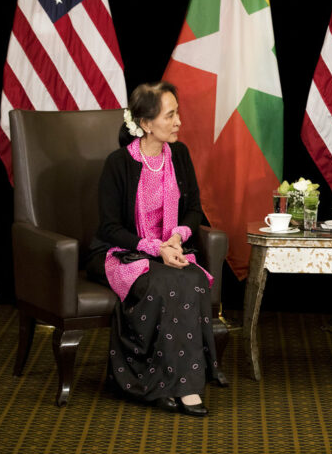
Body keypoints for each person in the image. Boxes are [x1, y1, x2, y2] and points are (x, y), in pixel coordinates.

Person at [86, 81, 226, 416]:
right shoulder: (118, 163)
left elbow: (193, 208)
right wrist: (153, 247)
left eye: (178, 113)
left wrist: (177, 237)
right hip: (121, 253)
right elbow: (109, 228)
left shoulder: (179, 154)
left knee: (192, 279)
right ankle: (170, 386)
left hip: (170, 248)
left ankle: (173, 383)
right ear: (146, 123)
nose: (179, 121)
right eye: (171, 114)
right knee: (164, 284)